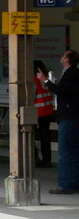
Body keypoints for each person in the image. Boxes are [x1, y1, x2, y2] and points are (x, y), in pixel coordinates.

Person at [38, 50, 79, 194]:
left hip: (68, 116)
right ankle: (74, 183)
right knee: (73, 152)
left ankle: (65, 184)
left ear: (67, 59)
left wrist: (46, 81)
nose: (61, 57)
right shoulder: (73, 73)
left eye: (63, 56)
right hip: (73, 116)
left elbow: (62, 92)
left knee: (65, 152)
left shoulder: (70, 73)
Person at [34, 60, 55, 167]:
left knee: (28, 134)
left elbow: (32, 96)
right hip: (48, 111)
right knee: (45, 136)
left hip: (37, 111)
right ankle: (47, 159)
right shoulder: (45, 79)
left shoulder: (34, 80)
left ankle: (34, 157)